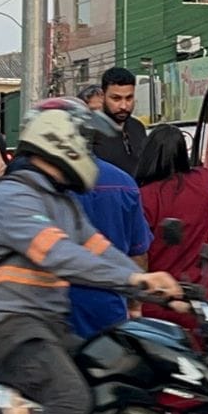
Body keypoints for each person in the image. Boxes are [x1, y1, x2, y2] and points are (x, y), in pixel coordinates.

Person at [0, 101, 182, 414]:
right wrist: (134, 282)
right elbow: (60, 254)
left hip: (44, 325)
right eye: (83, 139)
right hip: (2, 324)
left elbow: (99, 250)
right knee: (69, 398)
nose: (88, 151)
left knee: (109, 376)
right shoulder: (14, 196)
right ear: (59, 139)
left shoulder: (63, 202)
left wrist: (152, 282)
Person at [49, 97, 152, 340]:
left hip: (57, 308)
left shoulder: (46, 185)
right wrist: (135, 305)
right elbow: (138, 254)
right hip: (109, 306)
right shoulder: (124, 183)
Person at [135, 124, 208, 331]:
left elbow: (140, 254)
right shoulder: (203, 182)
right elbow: (203, 169)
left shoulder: (143, 197)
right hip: (200, 295)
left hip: (158, 300)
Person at [92, 67, 147, 175]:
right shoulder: (89, 130)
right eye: (116, 99)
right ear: (103, 96)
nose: (124, 106)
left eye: (129, 98)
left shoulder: (138, 127)